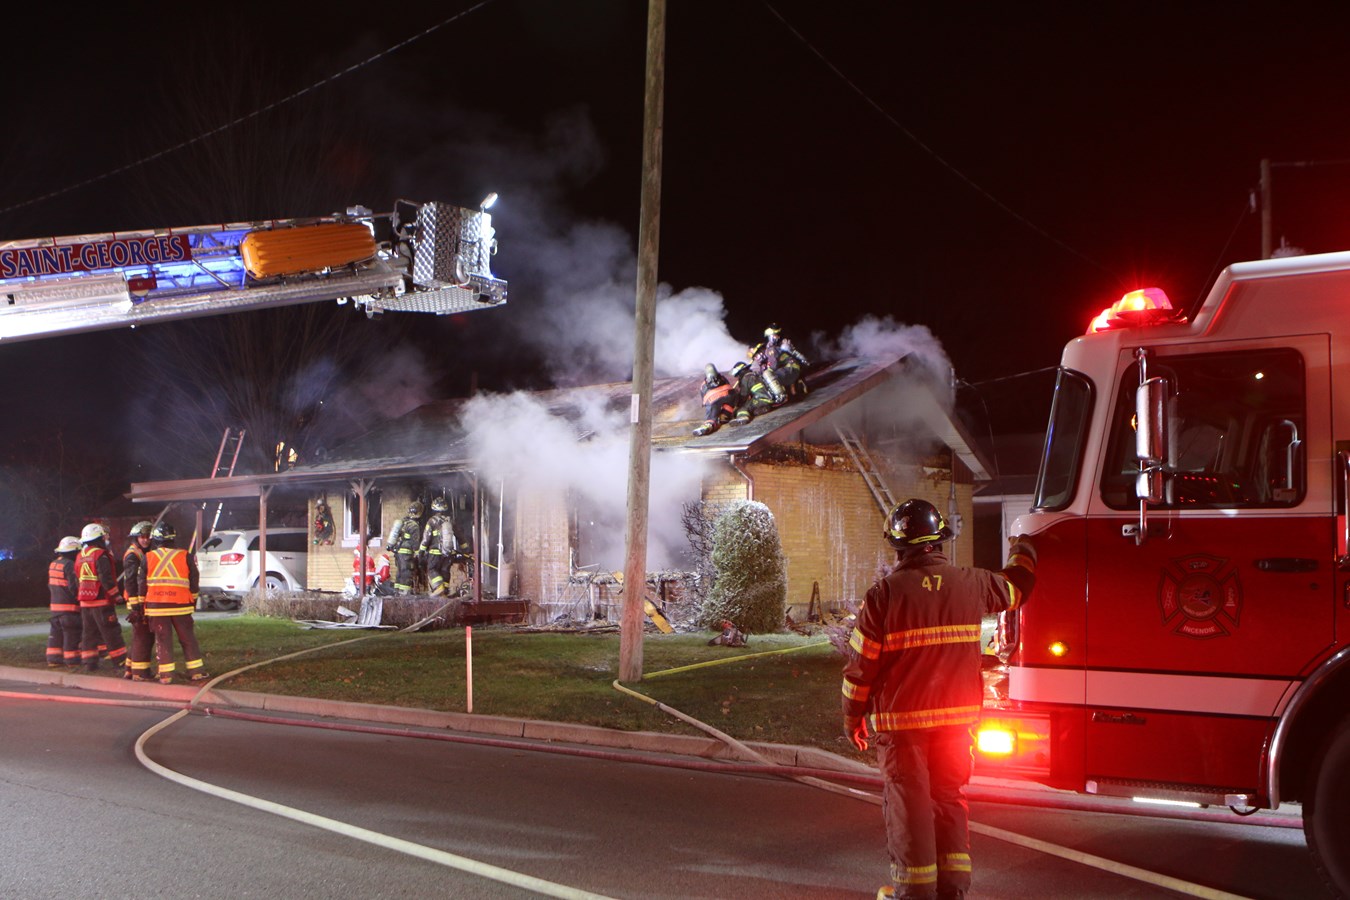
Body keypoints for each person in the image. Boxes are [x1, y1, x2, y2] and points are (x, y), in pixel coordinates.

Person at [842, 499, 1036, 900]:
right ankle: (953, 890)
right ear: (940, 540)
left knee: (909, 805)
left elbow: (861, 670)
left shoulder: (884, 595)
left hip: (902, 728)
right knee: (949, 799)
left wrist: (852, 718)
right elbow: (1018, 587)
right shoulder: (973, 583)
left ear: (898, 546)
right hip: (957, 723)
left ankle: (914, 895)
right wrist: (1024, 548)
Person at [144, 522, 209, 684]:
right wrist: (193, 599)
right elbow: (194, 580)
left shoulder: (148, 557)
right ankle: (196, 672)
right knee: (188, 638)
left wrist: (139, 605)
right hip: (181, 606)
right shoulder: (186, 556)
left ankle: (166, 675)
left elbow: (141, 584)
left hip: (157, 607)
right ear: (173, 539)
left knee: (163, 640)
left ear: (156, 540)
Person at [75, 523, 126, 674]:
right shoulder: (100, 555)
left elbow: (78, 576)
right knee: (111, 631)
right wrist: (116, 595)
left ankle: (90, 662)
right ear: (98, 538)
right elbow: (106, 578)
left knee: (89, 633)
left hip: (85, 601)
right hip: (101, 600)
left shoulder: (80, 556)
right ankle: (120, 661)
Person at [121, 521, 157, 681]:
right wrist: (136, 606)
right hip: (137, 600)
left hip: (142, 599)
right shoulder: (132, 555)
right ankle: (140, 673)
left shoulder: (144, 552)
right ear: (136, 538)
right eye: (142, 537)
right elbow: (130, 581)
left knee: (139, 635)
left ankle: (129, 670)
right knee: (144, 636)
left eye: (148, 537)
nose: (146, 540)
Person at [750, 324, 810, 406]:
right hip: (794, 369)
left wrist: (763, 370)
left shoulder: (771, 349)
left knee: (767, 374)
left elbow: (773, 366)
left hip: (791, 369)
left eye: (777, 335)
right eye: (775, 335)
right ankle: (795, 391)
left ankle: (780, 396)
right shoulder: (780, 346)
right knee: (770, 374)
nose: (777, 337)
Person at [46, 536, 82, 669]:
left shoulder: (54, 564)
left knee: (56, 634)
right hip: (69, 609)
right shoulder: (69, 565)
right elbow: (73, 587)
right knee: (71, 634)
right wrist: (81, 596)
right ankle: (72, 660)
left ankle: (53, 659)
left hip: (55, 608)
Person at [419, 497, 459, 595]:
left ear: (433, 508)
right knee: (445, 571)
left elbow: (426, 538)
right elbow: (459, 535)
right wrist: (466, 548)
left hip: (435, 553)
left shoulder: (432, 521)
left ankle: (439, 586)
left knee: (432, 570)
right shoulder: (450, 521)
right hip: (448, 554)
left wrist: (421, 551)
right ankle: (444, 591)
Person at [386, 501, 424, 594]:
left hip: (398, 553)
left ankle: (397, 592)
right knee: (407, 573)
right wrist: (419, 553)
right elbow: (415, 543)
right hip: (407, 554)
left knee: (400, 573)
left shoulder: (403, 522)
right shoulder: (414, 526)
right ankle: (405, 594)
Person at [693, 363, 738, 436]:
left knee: (711, 415)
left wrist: (708, 407)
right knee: (728, 408)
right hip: (729, 396)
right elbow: (729, 387)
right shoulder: (723, 378)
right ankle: (725, 416)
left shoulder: (703, 385)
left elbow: (704, 398)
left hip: (713, 399)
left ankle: (708, 426)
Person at [727, 361, 776, 426]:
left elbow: (743, 396)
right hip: (768, 398)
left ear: (741, 372)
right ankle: (764, 408)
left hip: (761, 399)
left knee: (743, 408)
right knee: (751, 407)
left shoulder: (746, 378)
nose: (738, 377)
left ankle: (742, 418)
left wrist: (737, 406)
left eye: (738, 375)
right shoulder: (754, 374)